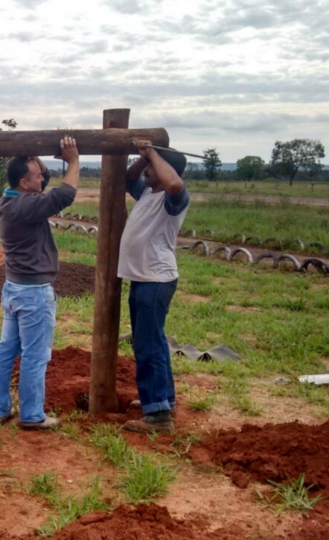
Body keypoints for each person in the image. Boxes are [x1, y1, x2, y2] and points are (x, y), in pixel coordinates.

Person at [0, 137, 80, 430]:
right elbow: (64, 195)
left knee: (7, 349)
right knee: (35, 356)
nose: (43, 177)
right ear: (24, 183)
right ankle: (31, 415)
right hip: (33, 294)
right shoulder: (26, 206)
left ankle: (1, 408)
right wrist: (74, 160)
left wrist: (31, 156)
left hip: (14, 288)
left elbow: (45, 180)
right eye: (37, 176)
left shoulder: (9, 199)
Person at [118, 140, 189, 435]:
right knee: (152, 341)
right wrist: (143, 155)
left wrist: (155, 155)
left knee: (147, 346)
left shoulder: (174, 198)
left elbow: (173, 183)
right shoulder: (148, 192)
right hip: (144, 279)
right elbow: (125, 179)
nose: (146, 169)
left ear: (164, 167)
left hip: (155, 280)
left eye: (151, 166)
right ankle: (163, 400)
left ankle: (158, 416)